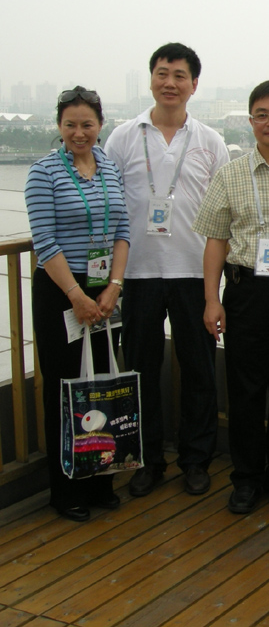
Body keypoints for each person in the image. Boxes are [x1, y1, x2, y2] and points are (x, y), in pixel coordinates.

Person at [105, 43, 229, 498]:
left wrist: (215, 287)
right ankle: (148, 460)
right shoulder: (123, 136)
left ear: (194, 85)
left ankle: (196, 460)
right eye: (162, 73)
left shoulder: (210, 141)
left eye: (179, 75)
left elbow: (221, 214)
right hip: (137, 273)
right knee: (140, 371)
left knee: (199, 371)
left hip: (195, 274)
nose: (170, 83)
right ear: (151, 79)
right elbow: (110, 205)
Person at [192, 80, 269, 515]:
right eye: (262, 115)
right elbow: (215, 241)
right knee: (244, 390)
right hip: (245, 293)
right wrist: (212, 300)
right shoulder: (229, 174)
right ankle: (246, 478)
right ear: (250, 121)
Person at [26, 87, 130, 521]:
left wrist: (114, 286)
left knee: (101, 382)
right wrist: (76, 295)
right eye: (70, 124)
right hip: (61, 291)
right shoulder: (43, 173)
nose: (79, 132)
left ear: (100, 125)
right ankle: (66, 488)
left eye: (87, 124)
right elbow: (45, 242)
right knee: (65, 387)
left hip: (104, 291)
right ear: (59, 126)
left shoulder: (109, 167)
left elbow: (123, 230)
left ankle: (100, 478)